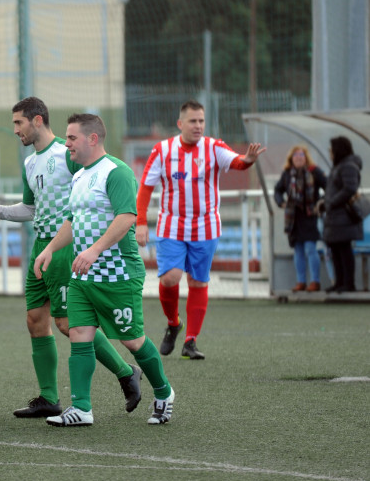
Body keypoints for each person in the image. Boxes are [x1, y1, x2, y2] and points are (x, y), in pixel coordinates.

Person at [0, 97, 142, 418]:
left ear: (37, 120)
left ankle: (126, 372)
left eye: (19, 123)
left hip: (65, 247)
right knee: (35, 320)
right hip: (41, 248)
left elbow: (94, 178)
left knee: (69, 323)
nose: (15, 130)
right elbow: (30, 209)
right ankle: (49, 398)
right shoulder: (31, 162)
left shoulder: (67, 154)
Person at [33, 113, 174, 427]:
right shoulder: (81, 176)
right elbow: (72, 220)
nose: (66, 143)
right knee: (79, 334)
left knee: (132, 340)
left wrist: (95, 250)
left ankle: (163, 392)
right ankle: (81, 408)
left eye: (71, 138)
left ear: (92, 139)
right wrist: (49, 249)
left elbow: (127, 217)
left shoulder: (117, 172)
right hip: (84, 276)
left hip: (118, 274)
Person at [135, 100, 264, 360]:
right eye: (193, 121)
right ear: (180, 123)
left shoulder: (214, 147)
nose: (198, 126)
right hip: (172, 226)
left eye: (201, 121)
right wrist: (140, 222)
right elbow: (145, 188)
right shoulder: (162, 150)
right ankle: (174, 323)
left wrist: (248, 160)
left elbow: (236, 162)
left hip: (206, 227)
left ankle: (190, 341)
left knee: (197, 281)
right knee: (170, 278)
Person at [273, 146, 327, 292]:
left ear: (306, 157)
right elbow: (277, 190)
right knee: (298, 249)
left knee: (310, 248)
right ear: (291, 158)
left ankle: (315, 281)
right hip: (293, 217)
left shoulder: (314, 172)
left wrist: (321, 202)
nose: (298, 157)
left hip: (310, 214)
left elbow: (329, 187)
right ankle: (301, 281)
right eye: (295, 155)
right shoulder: (287, 174)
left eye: (301, 155)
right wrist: (281, 202)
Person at [320, 136, 363, 293]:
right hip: (335, 216)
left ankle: (348, 284)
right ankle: (339, 283)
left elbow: (350, 188)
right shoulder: (339, 166)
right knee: (335, 249)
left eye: (331, 150)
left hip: (343, 215)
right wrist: (325, 202)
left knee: (344, 249)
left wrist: (331, 203)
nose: (330, 153)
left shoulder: (348, 166)